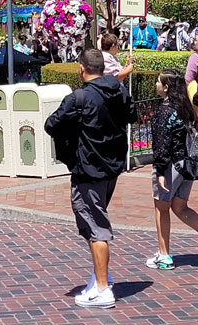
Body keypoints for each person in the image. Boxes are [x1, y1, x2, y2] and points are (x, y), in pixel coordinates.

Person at [45, 49, 135, 309]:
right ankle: (98, 279)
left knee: (96, 228)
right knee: (94, 221)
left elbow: (52, 124)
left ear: (81, 69)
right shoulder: (118, 90)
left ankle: (104, 289)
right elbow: (131, 116)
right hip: (111, 166)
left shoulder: (80, 97)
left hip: (89, 168)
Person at [145, 69, 198, 271]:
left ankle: (163, 255)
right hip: (187, 165)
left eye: (158, 81)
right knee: (180, 206)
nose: (156, 84)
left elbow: (162, 144)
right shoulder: (185, 108)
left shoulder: (164, 111)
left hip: (171, 166)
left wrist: (161, 171)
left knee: (161, 207)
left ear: (165, 87)